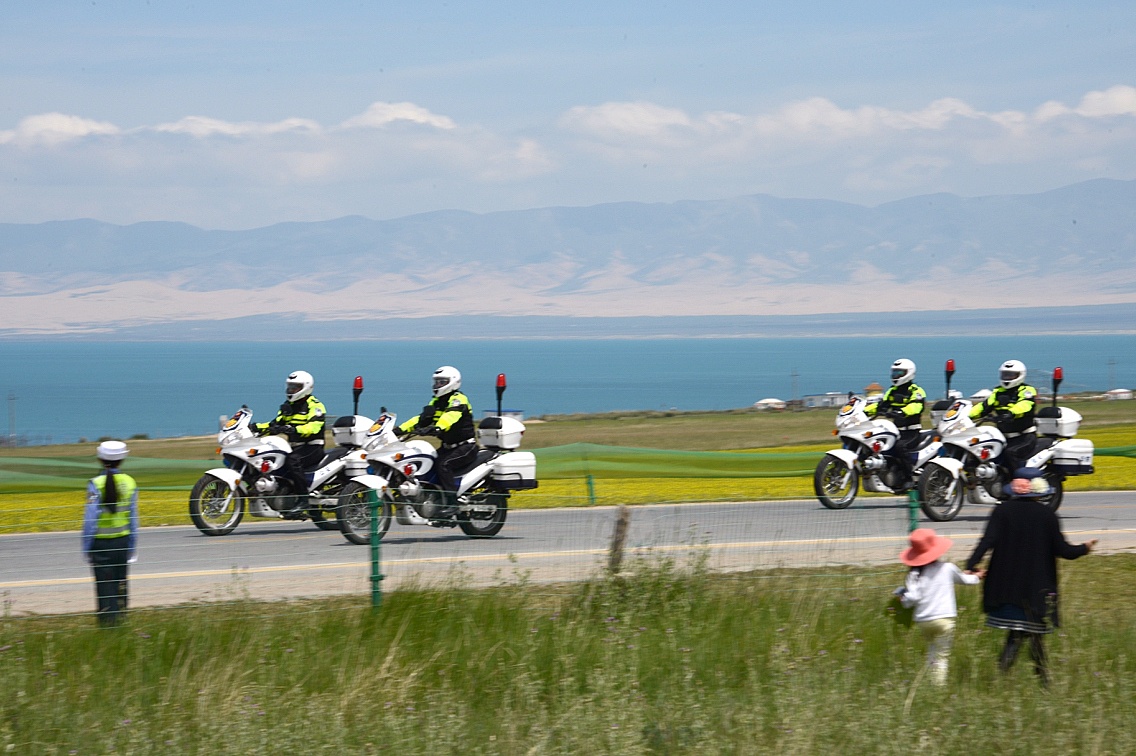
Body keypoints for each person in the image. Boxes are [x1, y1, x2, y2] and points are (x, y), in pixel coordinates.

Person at [964, 467, 1097, 687]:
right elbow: (1063, 550)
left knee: (1023, 634)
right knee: (1026, 634)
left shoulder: (1002, 511)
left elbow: (987, 541)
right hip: (1036, 588)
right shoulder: (1047, 515)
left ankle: (1037, 680)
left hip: (1006, 586)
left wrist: (971, 564)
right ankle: (1029, 681)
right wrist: (1084, 548)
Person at [895, 528, 980, 686]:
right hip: (945, 620)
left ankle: (930, 681)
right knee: (942, 655)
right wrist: (977, 577)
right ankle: (938, 687)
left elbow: (912, 598)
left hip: (923, 621)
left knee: (932, 651)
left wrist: (902, 599)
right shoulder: (947, 568)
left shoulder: (914, 575)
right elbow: (965, 580)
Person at [397, 366, 476, 513]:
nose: (437, 385)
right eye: (436, 382)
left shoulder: (458, 400)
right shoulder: (436, 401)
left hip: (466, 447)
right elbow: (420, 419)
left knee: (444, 465)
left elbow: (450, 416)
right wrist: (399, 429)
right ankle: (434, 499)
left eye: (442, 382)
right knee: (429, 463)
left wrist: (438, 428)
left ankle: (453, 504)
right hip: (447, 446)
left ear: (453, 382)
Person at [81, 440, 139, 627]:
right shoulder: (130, 482)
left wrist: (86, 547)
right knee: (120, 585)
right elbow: (133, 519)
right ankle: (122, 622)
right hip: (122, 542)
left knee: (105, 589)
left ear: (100, 458)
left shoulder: (95, 484)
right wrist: (132, 546)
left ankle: (108, 627)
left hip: (101, 545)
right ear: (122, 459)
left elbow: (90, 520)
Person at [252, 370, 326, 512]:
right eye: (290, 386)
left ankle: (303, 500)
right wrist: (256, 427)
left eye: (296, 387)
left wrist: (293, 429)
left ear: (306, 387)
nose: (291, 390)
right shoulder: (288, 406)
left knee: (292, 460)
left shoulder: (315, 405)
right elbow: (276, 423)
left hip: (312, 447)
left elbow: (313, 427)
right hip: (295, 447)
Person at [969, 360, 1039, 473]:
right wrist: (968, 415)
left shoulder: (1026, 390)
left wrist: (1011, 413)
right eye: (1005, 374)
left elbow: (1025, 405)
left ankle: (1019, 480)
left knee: (1010, 453)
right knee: (982, 451)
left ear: (1021, 375)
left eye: (1011, 375)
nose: (1007, 377)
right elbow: (984, 406)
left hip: (1024, 437)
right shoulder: (997, 392)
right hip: (1003, 436)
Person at [865, 358, 926, 487]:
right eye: (894, 372)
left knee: (900, 447)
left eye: (899, 373)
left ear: (909, 373)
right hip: (895, 431)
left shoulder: (916, 391)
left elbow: (916, 406)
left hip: (911, 431)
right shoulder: (892, 391)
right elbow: (881, 405)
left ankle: (909, 478)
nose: (895, 375)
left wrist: (901, 412)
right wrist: (865, 411)